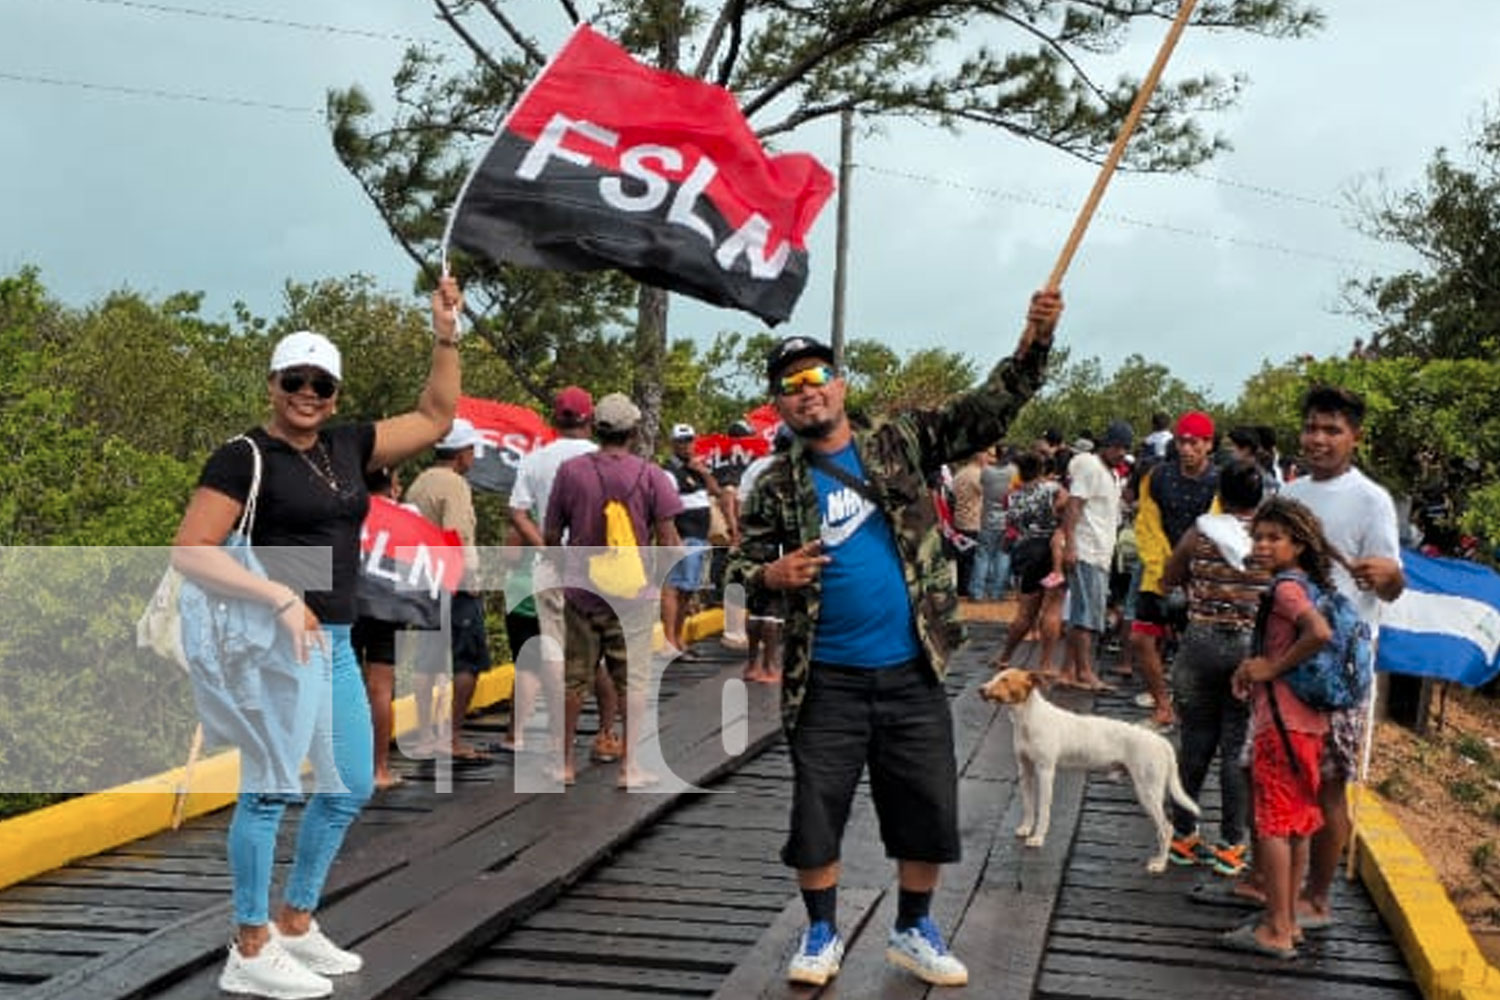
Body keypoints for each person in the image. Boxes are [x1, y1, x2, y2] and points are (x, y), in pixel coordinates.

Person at [729, 290, 1062, 989]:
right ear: (779, 406)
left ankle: (914, 928)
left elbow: (989, 408)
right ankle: (820, 932)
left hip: (912, 667)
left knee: (927, 805)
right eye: (790, 387)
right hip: (824, 677)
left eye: (817, 378)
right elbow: (730, 570)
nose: (806, 393)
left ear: (840, 386)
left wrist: (1034, 340)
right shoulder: (771, 485)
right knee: (817, 811)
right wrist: (770, 572)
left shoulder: (900, 439)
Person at [172, 278, 463, 1000]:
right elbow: (192, 549)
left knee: (350, 785)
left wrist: (446, 332)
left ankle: (297, 921)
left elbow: (434, 414)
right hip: (274, 642)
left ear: (334, 395)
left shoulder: (345, 445)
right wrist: (275, 596)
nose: (308, 393)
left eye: (321, 384)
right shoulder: (243, 457)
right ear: (273, 385)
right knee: (268, 793)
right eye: (295, 380)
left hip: (333, 638)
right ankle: (249, 943)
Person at [1280, 385, 1403, 929]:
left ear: (1355, 437)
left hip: (1340, 671)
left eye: (1332, 430)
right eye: (1312, 427)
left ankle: (1318, 898)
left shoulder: (1372, 499)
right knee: (1283, 774)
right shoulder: (1292, 492)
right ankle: (1276, 886)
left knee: (1329, 786)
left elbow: (1393, 584)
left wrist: (1388, 576)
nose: (1319, 439)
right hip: (1288, 659)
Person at [545, 393, 683, 788]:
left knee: (575, 678)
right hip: (632, 597)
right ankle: (630, 767)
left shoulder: (570, 472)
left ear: (596, 429)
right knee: (633, 680)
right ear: (634, 432)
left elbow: (553, 533)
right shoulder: (652, 475)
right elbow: (670, 542)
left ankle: (565, 764)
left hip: (581, 592)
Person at [1223, 497, 1338, 960]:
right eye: (1259, 537)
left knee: (1271, 821)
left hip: (1283, 723)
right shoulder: (1307, 585)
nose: (1263, 545)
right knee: (1298, 823)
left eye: (1275, 538)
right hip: (1309, 723)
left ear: (1299, 544)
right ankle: (1287, 921)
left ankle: (1275, 926)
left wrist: (1272, 668)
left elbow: (1319, 633)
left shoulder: (1287, 590)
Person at [1161, 459, 1268, 875]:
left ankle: (1183, 836)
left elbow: (1169, 578)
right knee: (1236, 748)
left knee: (1195, 741)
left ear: (1220, 494)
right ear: (1260, 497)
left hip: (1199, 643)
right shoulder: (1268, 539)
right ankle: (1230, 845)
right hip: (1248, 649)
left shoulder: (1200, 532)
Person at [506, 386, 620, 764]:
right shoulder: (606, 459)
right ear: (590, 421)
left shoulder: (535, 460)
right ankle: (606, 733)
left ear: (555, 418)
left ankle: (561, 741)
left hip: (551, 566)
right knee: (599, 655)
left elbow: (518, 513)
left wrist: (546, 547)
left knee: (557, 655)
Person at [405, 416, 493, 763]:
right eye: (472, 450)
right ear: (461, 453)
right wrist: (471, 581)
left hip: (423, 582)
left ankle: (427, 735)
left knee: (427, 661)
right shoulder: (454, 485)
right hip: (453, 583)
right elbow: (456, 535)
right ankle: (452, 737)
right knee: (469, 661)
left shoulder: (420, 482)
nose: (473, 457)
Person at [1131, 410, 1220, 729]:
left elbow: (1218, 527)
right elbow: (1147, 524)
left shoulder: (1219, 481)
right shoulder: (1157, 477)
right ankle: (1162, 705)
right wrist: (1162, 567)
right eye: (1182, 442)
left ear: (1208, 444)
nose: (1186, 449)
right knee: (1141, 639)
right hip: (1158, 570)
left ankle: (1190, 707)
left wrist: (1190, 572)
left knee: (1194, 645)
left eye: (1194, 443)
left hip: (1201, 577)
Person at [1059, 421, 1132, 691]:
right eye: (1116, 447)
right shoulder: (1091, 468)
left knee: (1083, 613)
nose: (1121, 452)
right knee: (1087, 618)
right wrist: (1070, 546)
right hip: (1087, 550)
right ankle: (1085, 671)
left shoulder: (1109, 473)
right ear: (1106, 445)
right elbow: (1073, 506)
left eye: (1124, 448)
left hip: (1100, 552)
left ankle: (1068, 670)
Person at [352, 466, 407, 791]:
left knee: (339, 684)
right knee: (380, 689)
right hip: (387, 605)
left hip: (347, 603)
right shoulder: (405, 516)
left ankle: (339, 768)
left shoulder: (344, 510)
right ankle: (379, 769)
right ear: (391, 486)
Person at [991, 452, 1068, 674]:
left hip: (1026, 551)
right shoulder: (1052, 488)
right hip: (1050, 548)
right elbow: (1067, 504)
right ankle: (1045, 663)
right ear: (1041, 469)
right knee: (1053, 607)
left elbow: (1011, 524)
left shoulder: (1014, 496)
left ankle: (1005, 656)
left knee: (1025, 612)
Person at [660, 423, 723, 658]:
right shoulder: (669, 471)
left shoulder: (696, 469)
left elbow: (717, 492)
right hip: (682, 536)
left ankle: (679, 639)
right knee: (674, 588)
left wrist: (704, 472)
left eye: (689, 440)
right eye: (681, 441)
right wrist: (673, 539)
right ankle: (670, 641)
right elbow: (665, 509)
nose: (686, 446)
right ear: (673, 444)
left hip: (698, 537)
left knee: (687, 591)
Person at [968, 445, 1016, 602]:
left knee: (983, 556)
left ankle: (977, 592)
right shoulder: (1014, 471)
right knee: (1003, 556)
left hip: (988, 519)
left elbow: (983, 486)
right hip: (1007, 520)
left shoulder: (987, 471)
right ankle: (997, 593)